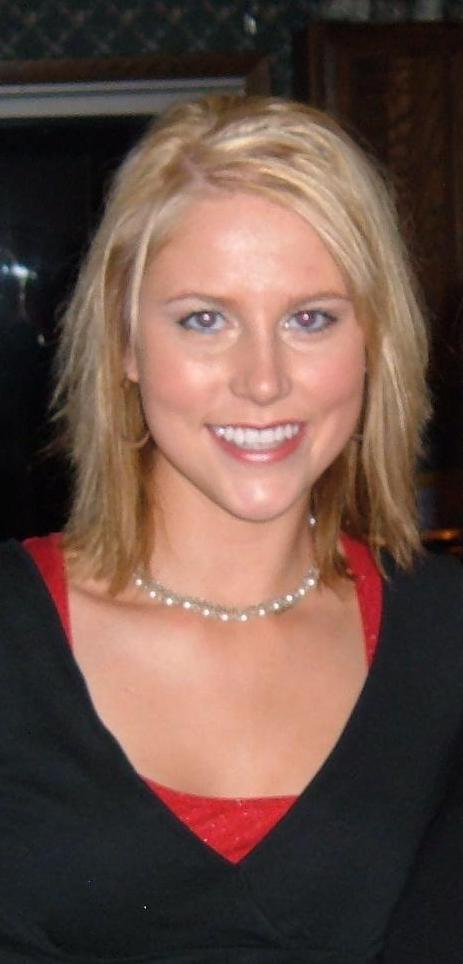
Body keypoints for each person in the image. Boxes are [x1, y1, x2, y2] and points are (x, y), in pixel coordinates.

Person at [0, 94, 462, 964]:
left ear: (373, 342)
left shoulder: (444, 640)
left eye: (310, 318)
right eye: (204, 319)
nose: (262, 379)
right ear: (125, 344)